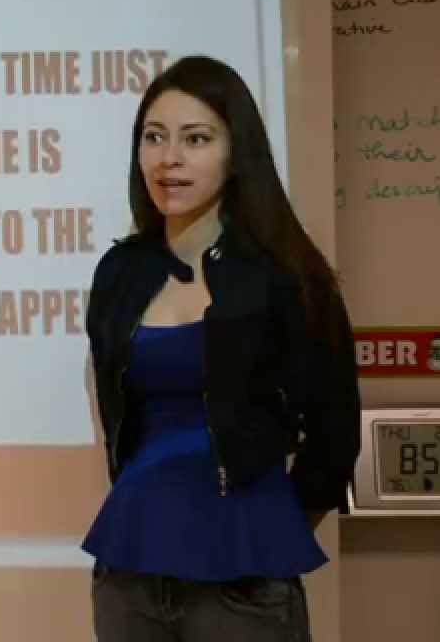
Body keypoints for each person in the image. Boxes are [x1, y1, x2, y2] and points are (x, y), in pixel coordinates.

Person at [81, 55, 362, 641]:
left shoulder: (286, 276)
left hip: (243, 576)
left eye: (196, 139)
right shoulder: (120, 272)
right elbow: (111, 415)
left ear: (236, 154)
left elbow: (334, 433)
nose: (169, 158)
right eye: (154, 137)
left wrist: (270, 524)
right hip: (130, 572)